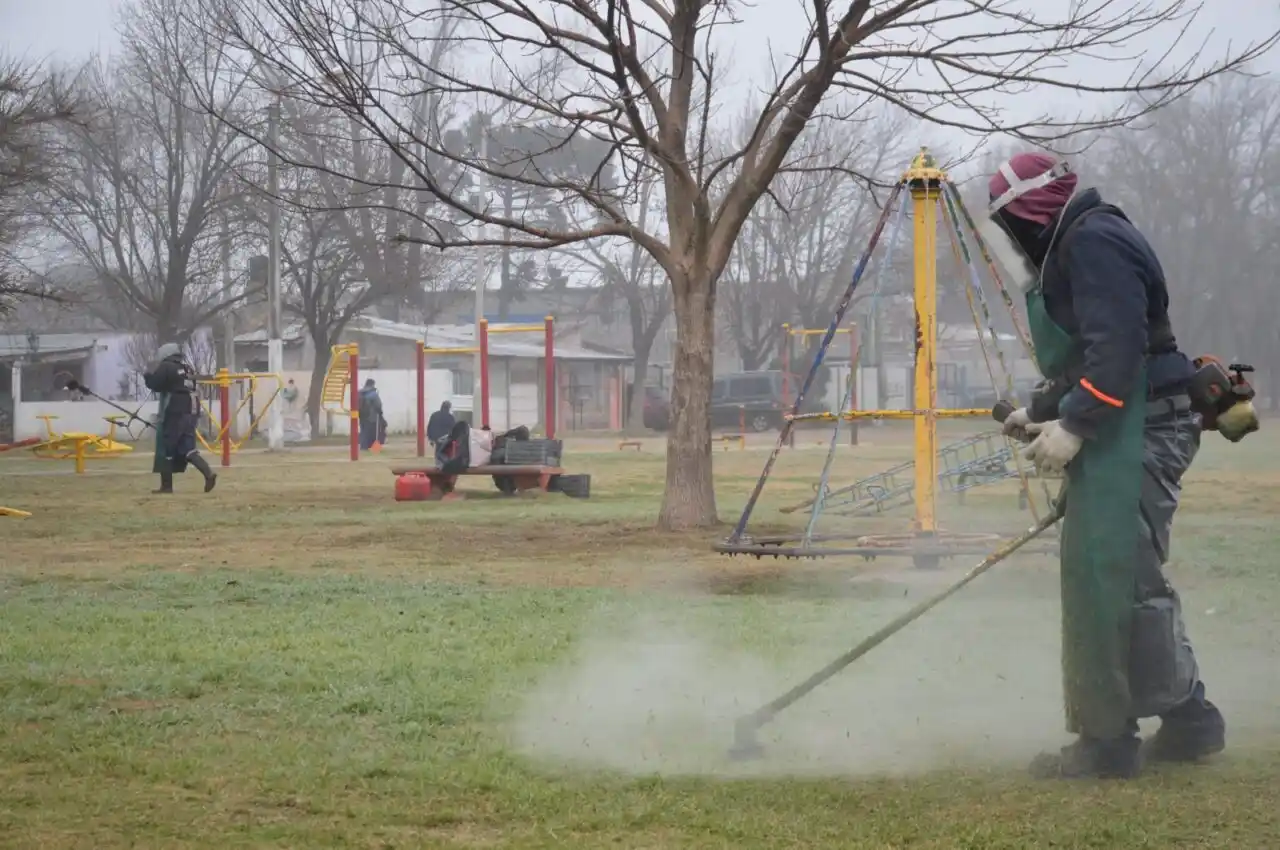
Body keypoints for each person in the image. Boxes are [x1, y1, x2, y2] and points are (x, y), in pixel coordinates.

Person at [986, 153, 1224, 779]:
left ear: (1031, 212)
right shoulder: (1076, 243)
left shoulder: (1093, 241)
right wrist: (1043, 410)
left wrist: (1076, 422)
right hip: (1127, 423)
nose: (1014, 238)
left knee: (1121, 578)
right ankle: (1186, 720)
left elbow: (1118, 344)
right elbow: (1087, 357)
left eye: (1011, 222)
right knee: (1118, 575)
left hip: (1145, 426)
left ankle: (1114, 742)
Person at [142, 343, 217, 494]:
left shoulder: (166, 366)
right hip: (192, 409)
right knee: (187, 448)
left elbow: (155, 385)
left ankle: (167, 486)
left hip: (176, 409)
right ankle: (208, 474)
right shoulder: (187, 368)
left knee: (167, 446)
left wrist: (147, 376)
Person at [357, 379, 383, 451]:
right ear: (372, 384)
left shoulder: (359, 393)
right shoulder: (373, 394)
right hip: (371, 416)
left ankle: (363, 446)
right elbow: (378, 405)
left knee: (363, 431)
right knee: (371, 431)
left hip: (361, 415)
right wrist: (380, 412)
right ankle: (370, 446)